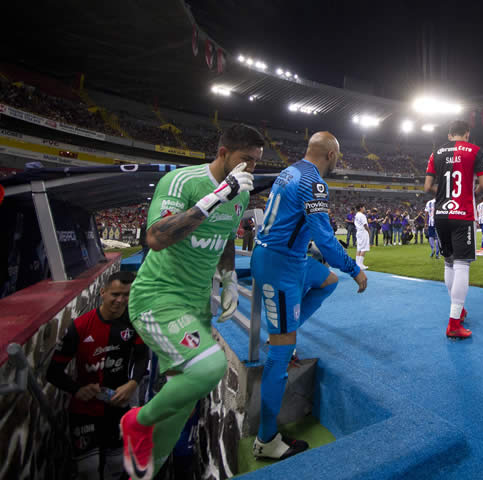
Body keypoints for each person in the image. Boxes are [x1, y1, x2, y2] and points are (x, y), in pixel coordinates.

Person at [120, 124, 260, 480]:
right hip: (158, 298)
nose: (251, 170)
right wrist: (216, 198)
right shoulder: (183, 182)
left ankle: (146, 469)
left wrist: (228, 278)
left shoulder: (240, 194)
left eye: (257, 163)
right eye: (246, 160)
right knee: (208, 368)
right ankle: (136, 421)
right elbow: (155, 237)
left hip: (196, 304)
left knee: (184, 398)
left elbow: (226, 238)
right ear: (224, 153)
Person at [252, 131, 367, 459]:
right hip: (281, 266)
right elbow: (327, 243)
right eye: (339, 157)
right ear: (331, 154)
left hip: (288, 259)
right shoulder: (314, 183)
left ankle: (286, 332)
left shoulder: (290, 171)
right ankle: (266, 439)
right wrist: (354, 269)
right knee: (280, 354)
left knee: (327, 282)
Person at [47, 271, 148, 480]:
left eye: (127, 295)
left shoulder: (135, 323)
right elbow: (53, 372)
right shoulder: (80, 326)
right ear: (103, 292)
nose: (120, 300)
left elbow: (141, 358)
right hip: (85, 409)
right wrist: (77, 390)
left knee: (115, 466)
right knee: (88, 470)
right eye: (116, 294)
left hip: (118, 406)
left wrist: (132, 384)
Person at [424, 120, 483, 338]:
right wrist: (469, 196)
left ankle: (458, 310)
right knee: (462, 264)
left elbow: (427, 187)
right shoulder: (475, 151)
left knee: (449, 262)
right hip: (463, 214)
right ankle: (453, 323)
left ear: (449, 134)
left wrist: (443, 194)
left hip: (441, 214)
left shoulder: (436, 152)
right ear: (467, 134)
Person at [354, 204, 370, 269]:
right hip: (363, 232)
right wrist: (369, 231)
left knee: (359, 248)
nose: (364, 208)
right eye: (363, 207)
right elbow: (365, 225)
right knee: (364, 248)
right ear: (361, 208)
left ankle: (357, 264)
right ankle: (360, 265)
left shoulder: (356, 215)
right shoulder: (362, 215)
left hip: (358, 232)